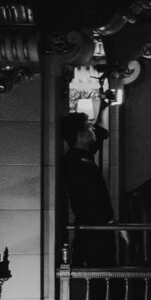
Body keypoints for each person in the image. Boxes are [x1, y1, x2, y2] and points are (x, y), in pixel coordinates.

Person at [57, 113, 116, 265]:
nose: (93, 129)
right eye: (89, 127)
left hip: (93, 228)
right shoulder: (76, 162)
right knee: (100, 273)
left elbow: (102, 133)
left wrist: (103, 107)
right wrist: (110, 221)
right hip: (93, 229)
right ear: (81, 136)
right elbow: (91, 197)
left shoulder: (81, 155)